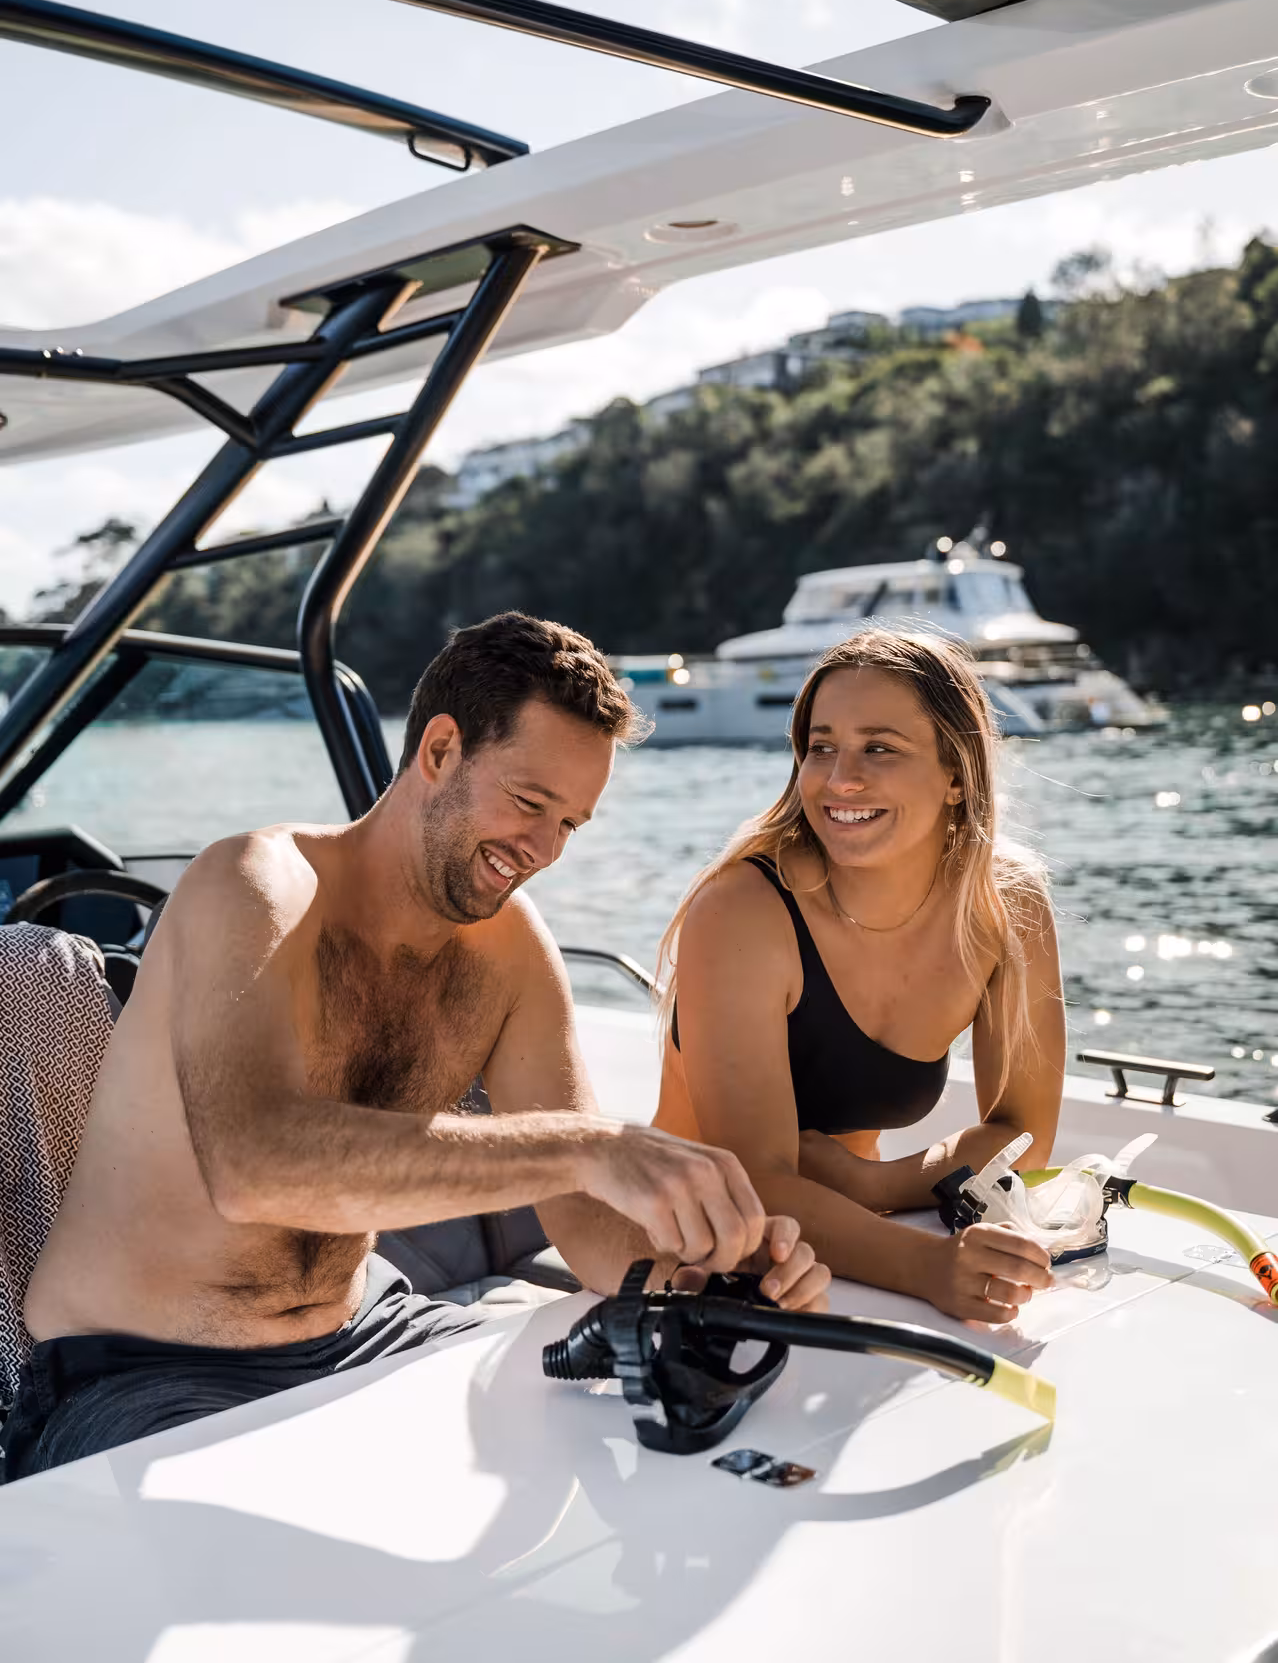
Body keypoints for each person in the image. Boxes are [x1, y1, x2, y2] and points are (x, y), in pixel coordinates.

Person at [3, 613, 827, 1481]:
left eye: (571, 826)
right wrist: (586, 1148)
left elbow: (588, 1233)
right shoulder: (254, 884)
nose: (544, 850)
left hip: (363, 1329)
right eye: (530, 803)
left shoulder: (509, 951)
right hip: (135, 1371)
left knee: (643, 1454)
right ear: (439, 751)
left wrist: (719, 1272)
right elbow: (252, 1166)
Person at [653, 626, 1065, 1325]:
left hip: (851, 1248)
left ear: (957, 776)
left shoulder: (1007, 905)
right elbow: (754, 1182)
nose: (840, 779)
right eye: (822, 747)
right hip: (691, 1256)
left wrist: (878, 1183)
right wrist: (926, 1264)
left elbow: (1023, 1133)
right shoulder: (744, 911)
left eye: (879, 748)